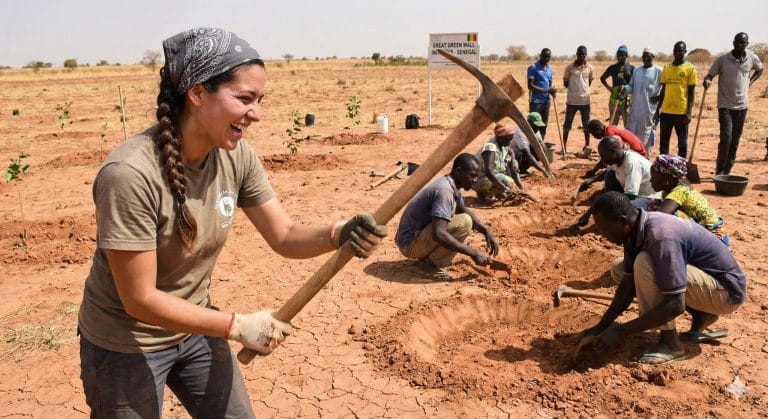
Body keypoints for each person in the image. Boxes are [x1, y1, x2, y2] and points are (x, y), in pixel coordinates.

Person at [77, 27, 388, 417]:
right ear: (197, 93)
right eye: (244, 98)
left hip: (195, 327)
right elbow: (140, 299)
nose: (255, 113)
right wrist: (237, 327)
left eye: (259, 100)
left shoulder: (235, 156)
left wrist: (339, 232)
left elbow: (285, 235)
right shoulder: (129, 173)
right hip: (125, 344)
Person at [580, 191, 746, 364]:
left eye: (605, 229)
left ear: (623, 221)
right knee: (622, 269)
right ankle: (702, 315)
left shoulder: (661, 236)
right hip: (709, 284)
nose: (603, 235)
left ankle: (671, 344)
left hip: (727, 293)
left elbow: (675, 305)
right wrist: (601, 327)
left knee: (644, 264)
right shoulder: (634, 230)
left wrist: (620, 331)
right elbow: (628, 285)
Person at [396, 153, 499, 281]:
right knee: (464, 222)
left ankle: (427, 258)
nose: (474, 181)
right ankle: (428, 267)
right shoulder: (445, 191)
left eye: (476, 177)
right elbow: (438, 233)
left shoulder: (451, 184)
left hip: (414, 237)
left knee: (465, 217)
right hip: (409, 244)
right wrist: (472, 253)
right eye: (472, 176)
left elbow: (462, 209)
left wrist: (486, 230)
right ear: (459, 171)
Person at [703, 32, 764, 175]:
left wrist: (751, 81)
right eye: (736, 42)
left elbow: (760, 69)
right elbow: (710, 74)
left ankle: (727, 170)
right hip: (725, 106)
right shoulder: (723, 60)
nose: (739, 45)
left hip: (742, 106)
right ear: (733, 42)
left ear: (746, 44)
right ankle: (719, 169)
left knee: (735, 140)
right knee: (726, 138)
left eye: (742, 43)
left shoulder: (751, 58)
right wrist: (707, 80)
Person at [572, 136, 658, 230]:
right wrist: (589, 212)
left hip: (647, 197)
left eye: (603, 156)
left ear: (613, 152)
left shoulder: (631, 163)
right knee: (609, 176)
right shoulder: (615, 160)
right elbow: (606, 184)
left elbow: (630, 196)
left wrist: (607, 205)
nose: (603, 160)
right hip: (630, 192)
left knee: (616, 211)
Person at [649, 155, 729, 245]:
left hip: (715, 238)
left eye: (654, 177)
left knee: (663, 216)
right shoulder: (669, 189)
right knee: (655, 204)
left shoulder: (680, 192)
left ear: (667, 179)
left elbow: (659, 216)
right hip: (704, 232)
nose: (650, 180)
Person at [654, 41, 697, 158]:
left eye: (680, 51)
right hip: (666, 111)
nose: (678, 53)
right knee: (664, 142)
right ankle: (664, 167)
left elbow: (692, 92)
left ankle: (681, 167)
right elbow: (663, 91)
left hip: (681, 113)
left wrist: (689, 112)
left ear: (685, 52)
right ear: (673, 52)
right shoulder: (667, 68)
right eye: (676, 51)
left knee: (682, 143)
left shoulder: (690, 68)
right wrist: (657, 111)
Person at [471, 123, 532, 204]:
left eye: (511, 139)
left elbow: (511, 151)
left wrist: (513, 160)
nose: (510, 142)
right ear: (500, 137)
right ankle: (483, 194)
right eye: (508, 139)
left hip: (489, 177)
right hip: (477, 179)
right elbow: (489, 172)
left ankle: (497, 192)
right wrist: (505, 189)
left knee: (514, 165)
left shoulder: (503, 144)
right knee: (508, 181)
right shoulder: (490, 148)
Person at [626, 47, 662, 155]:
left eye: (648, 56)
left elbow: (667, 86)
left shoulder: (659, 71)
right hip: (634, 109)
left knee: (646, 137)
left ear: (653, 57)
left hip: (649, 110)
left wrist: (660, 96)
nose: (646, 58)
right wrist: (624, 89)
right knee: (632, 136)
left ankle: (645, 160)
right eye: (644, 56)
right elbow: (631, 87)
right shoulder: (637, 70)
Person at [563, 45, 594, 154]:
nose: (582, 56)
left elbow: (589, 82)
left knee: (586, 125)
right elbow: (566, 83)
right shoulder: (569, 68)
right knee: (567, 124)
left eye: (584, 54)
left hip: (585, 102)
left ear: (586, 55)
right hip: (571, 101)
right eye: (580, 54)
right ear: (576, 54)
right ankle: (564, 147)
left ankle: (587, 145)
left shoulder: (590, 68)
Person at [600, 45, 634, 126]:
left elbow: (635, 83)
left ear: (626, 56)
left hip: (627, 98)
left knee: (628, 123)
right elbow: (602, 78)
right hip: (614, 97)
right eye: (619, 55)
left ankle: (627, 138)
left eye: (623, 55)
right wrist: (609, 88)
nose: (621, 57)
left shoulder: (632, 68)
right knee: (613, 123)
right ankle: (612, 138)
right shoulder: (612, 68)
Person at [527, 48, 557, 140]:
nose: (546, 59)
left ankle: (541, 144)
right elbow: (530, 86)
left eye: (548, 57)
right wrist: (547, 90)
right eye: (545, 56)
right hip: (536, 102)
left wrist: (552, 92)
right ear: (540, 56)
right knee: (534, 125)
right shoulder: (533, 68)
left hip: (546, 101)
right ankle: (532, 145)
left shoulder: (550, 69)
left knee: (544, 125)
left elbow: (549, 84)